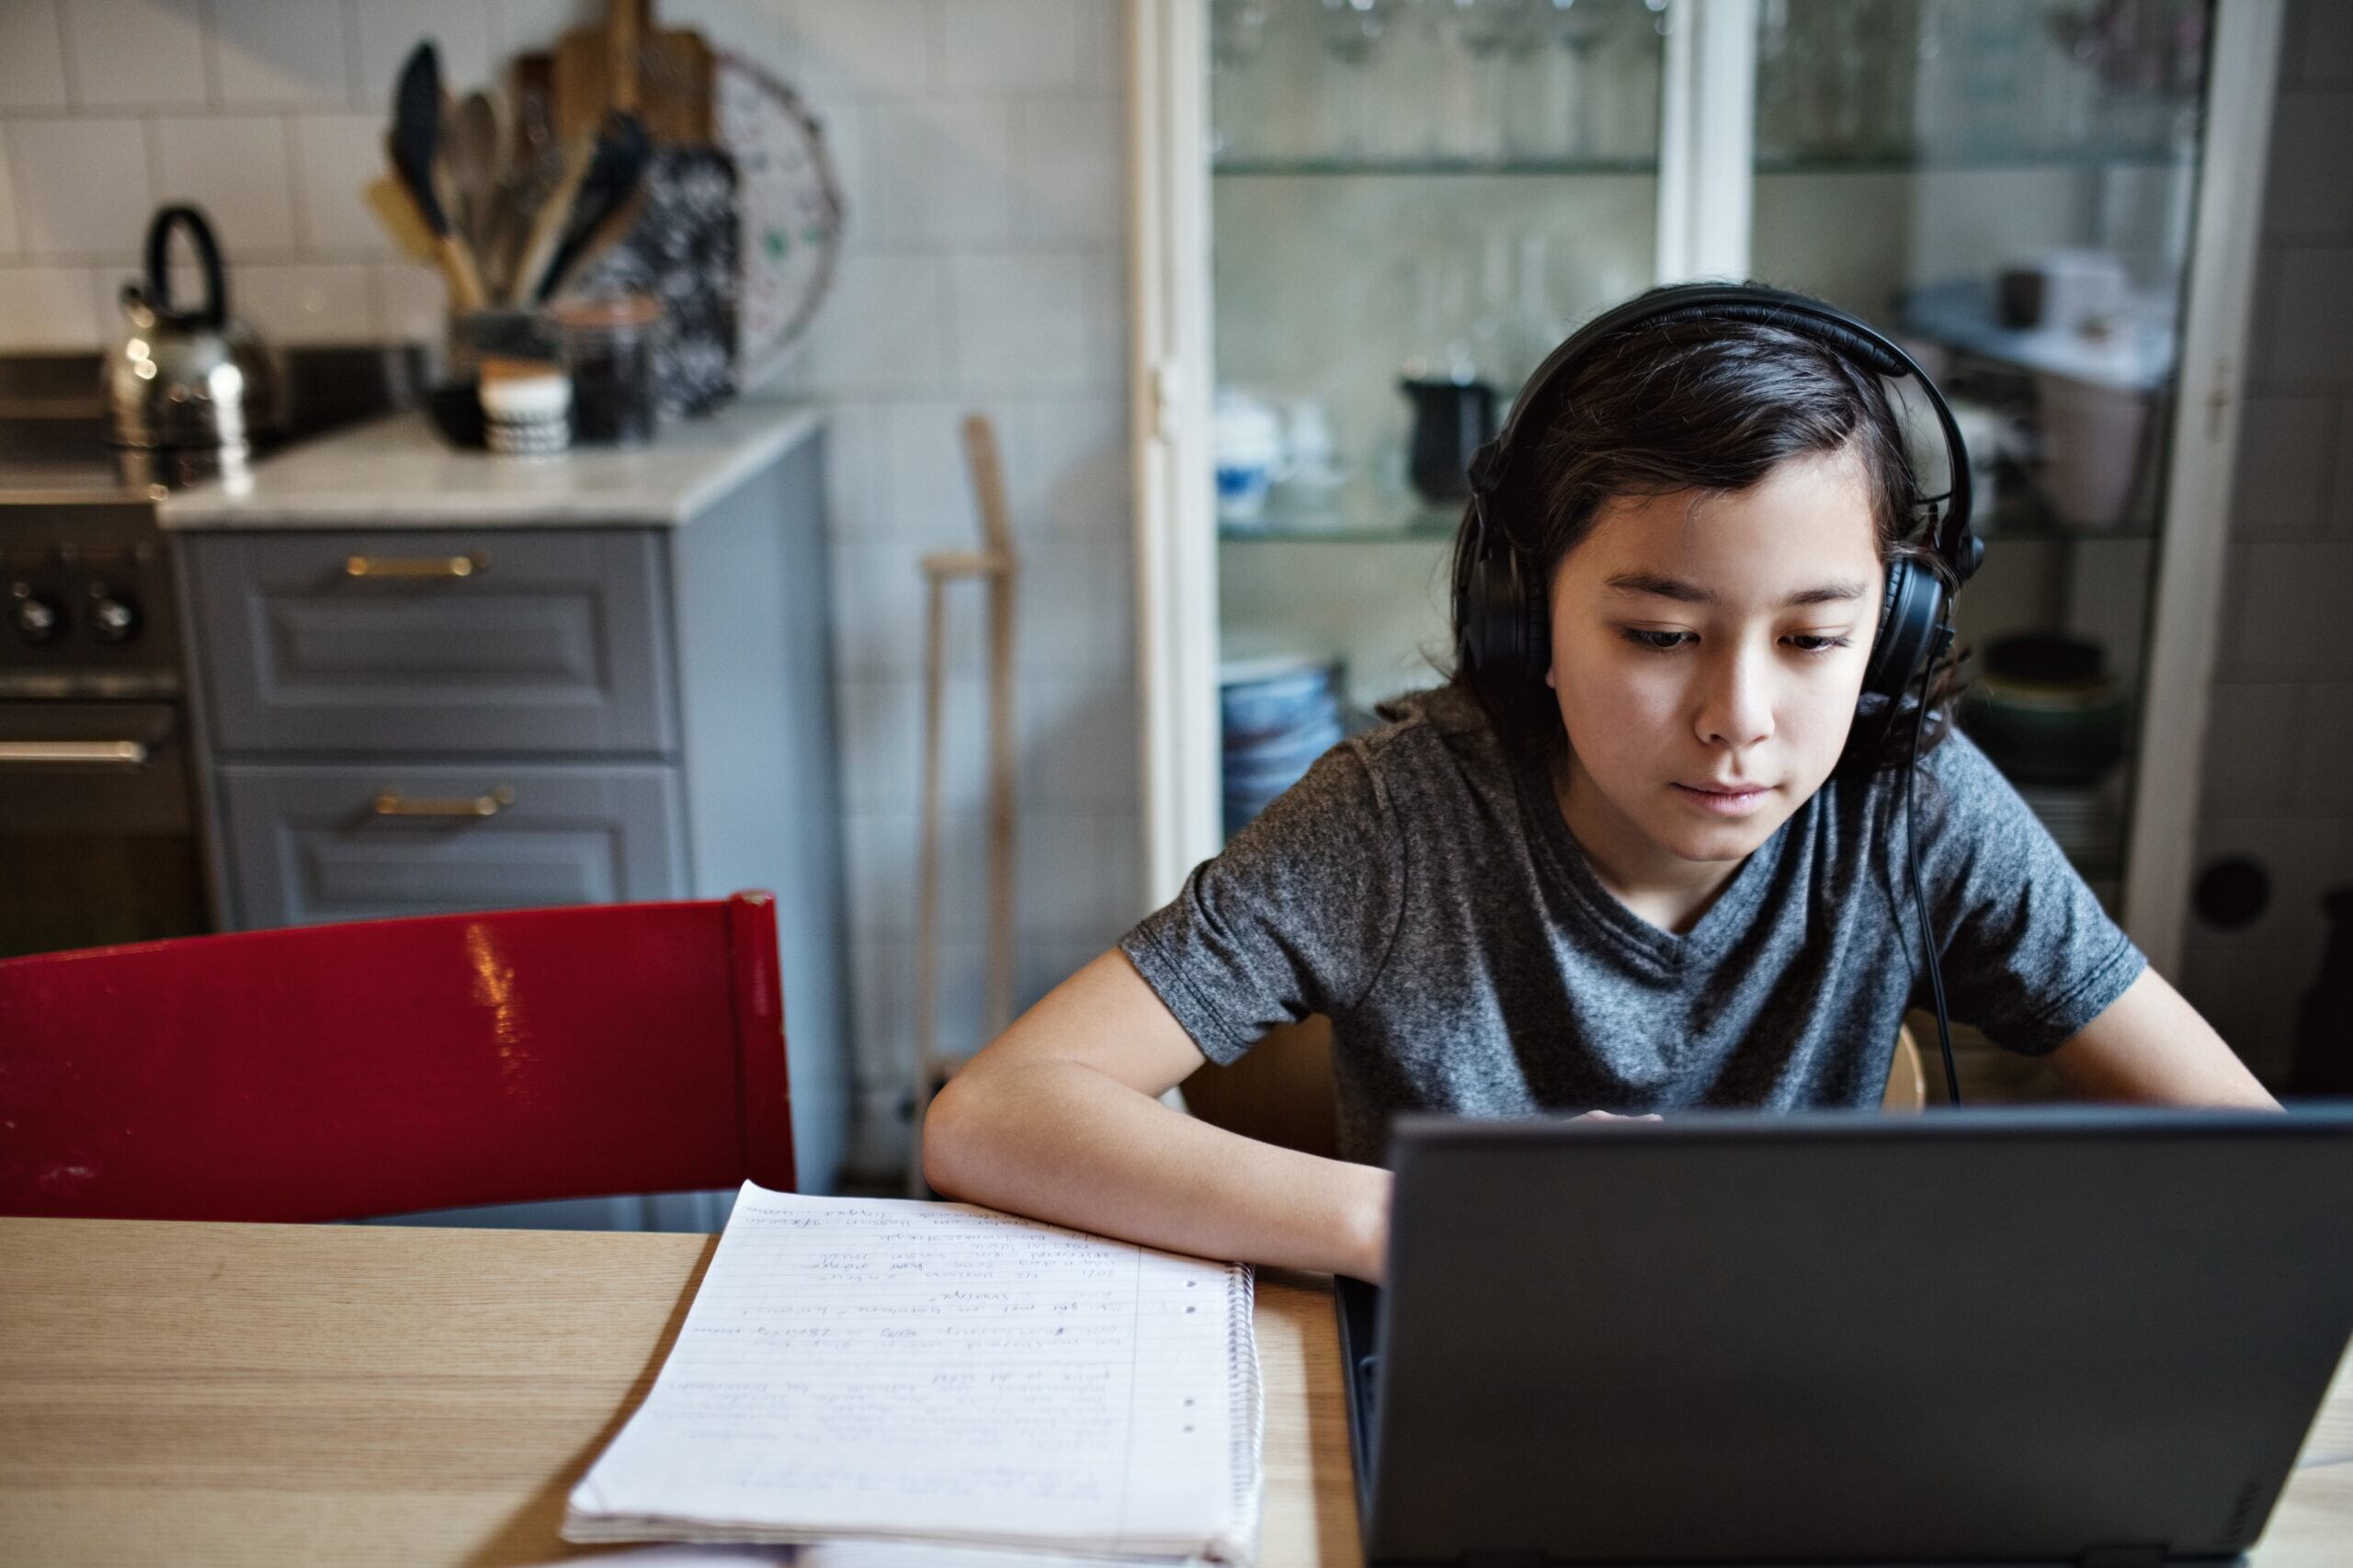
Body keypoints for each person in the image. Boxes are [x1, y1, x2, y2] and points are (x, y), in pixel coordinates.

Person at [921, 282, 2279, 1286]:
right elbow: (995, 1114)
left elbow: (2260, 1164)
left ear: (1897, 629)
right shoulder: (1401, 815)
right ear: (1527, 619)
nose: (1739, 720)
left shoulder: (1913, 800)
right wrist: (1412, 1220)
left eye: (1814, 639)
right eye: (1660, 636)